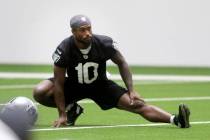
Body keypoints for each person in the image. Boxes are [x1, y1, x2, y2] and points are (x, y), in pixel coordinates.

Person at [33, 15, 190, 128]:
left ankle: (176, 120)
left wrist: (132, 90)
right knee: (40, 91)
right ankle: (71, 108)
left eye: (89, 29)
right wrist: (62, 114)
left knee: (136, 105)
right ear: (73, 32)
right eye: (82, 30)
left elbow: (122, 63)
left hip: (100, 85)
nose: (87, 33)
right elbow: (59, 83)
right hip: (74, 84)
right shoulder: (64, 49)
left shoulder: (103, 43)